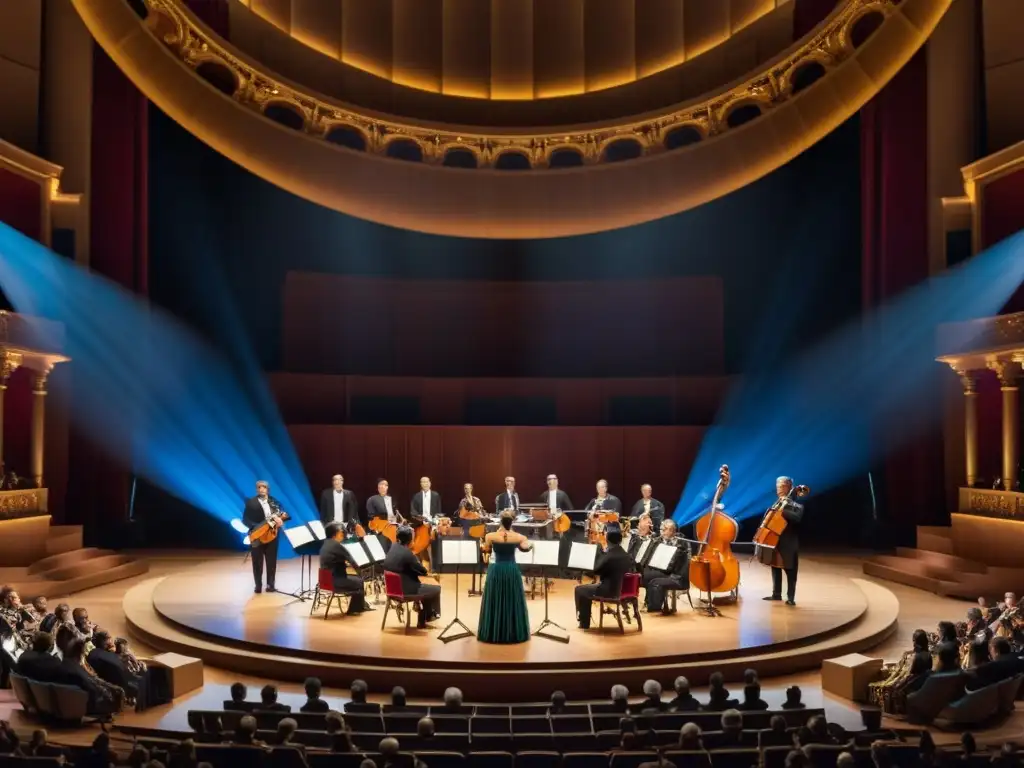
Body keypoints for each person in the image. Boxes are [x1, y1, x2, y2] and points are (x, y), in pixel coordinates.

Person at [478, 510, 532, 644]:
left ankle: (494, 631)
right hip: (511, 570)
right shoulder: (519, 537)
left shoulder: (491, 536)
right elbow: (526, 547)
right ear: (512, 522)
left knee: (495, 598)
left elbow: (485, 549)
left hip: (496, 570)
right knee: (512, 598)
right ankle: (513, 631)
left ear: (500, 521)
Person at [382, 526, 441, 629]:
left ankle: (426, 617)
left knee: (425, 589)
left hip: (391, 589)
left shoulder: (393, 547)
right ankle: (428, 616)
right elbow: (423, 571)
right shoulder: (407, 554)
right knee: (435, 589)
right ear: (410, 539)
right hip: (405, 590)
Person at [575, 526, 633, 629]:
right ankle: (583, 619)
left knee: (580, 590)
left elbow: (596, 571)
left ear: (607, 540)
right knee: (586, 589)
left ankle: (583, 622)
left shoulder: (609, 556)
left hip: (609, 591)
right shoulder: (626, 555)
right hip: (621, 589)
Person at [763, 476, 804, 606]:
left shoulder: (796, 505)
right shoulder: (777, 502)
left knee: (790, 571)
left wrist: (784, 507)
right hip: (775, 540)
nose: (778, 489)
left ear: (789, 487)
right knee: (775, 567)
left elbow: (797, 518)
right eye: (777, 487)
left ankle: (791, 597)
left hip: (788, 542)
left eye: (781, 486)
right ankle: (776, 594)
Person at [241, 480, 286, 593]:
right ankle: (258, 586)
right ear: (257, 489)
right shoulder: (251, 503)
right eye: (259, 487)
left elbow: (282, 513)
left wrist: (281, 519)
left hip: (272, 535)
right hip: (257, 536)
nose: (261, 489)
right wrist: (258, 528)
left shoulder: (274, 501)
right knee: (257, 562)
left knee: (271, 562)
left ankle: (271, 585)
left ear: (268, 489)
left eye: (264, 487)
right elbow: (245, 520)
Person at [319, 522, 370, 614]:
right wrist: (361, 571)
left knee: (356, 580)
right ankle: (355, 609)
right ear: (334, 534)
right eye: (340, 531)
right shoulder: (336, 545)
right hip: (335, 581)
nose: (343, 533)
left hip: (325, 581)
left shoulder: (326, 544)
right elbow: (353, 561)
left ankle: (360, 605)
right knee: (359, 581)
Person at [643, 519, 690, 612]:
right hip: (663, 570)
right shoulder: (659, 540)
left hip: (676, 574)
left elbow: (683, 562)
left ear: (672, 531)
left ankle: (653, 606)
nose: (662, 532)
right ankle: (651, 604)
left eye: (665, 530)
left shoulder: (681, 542)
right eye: (661, 529)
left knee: (648, 577)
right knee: (645, 574)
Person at [87, 630, 141, 704]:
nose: (110, 642)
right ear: (102, 641)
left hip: (123, 681)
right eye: (108, 639)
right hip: (120, 684)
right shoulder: (102, 655)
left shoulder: (104, 653)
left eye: (110, 639)